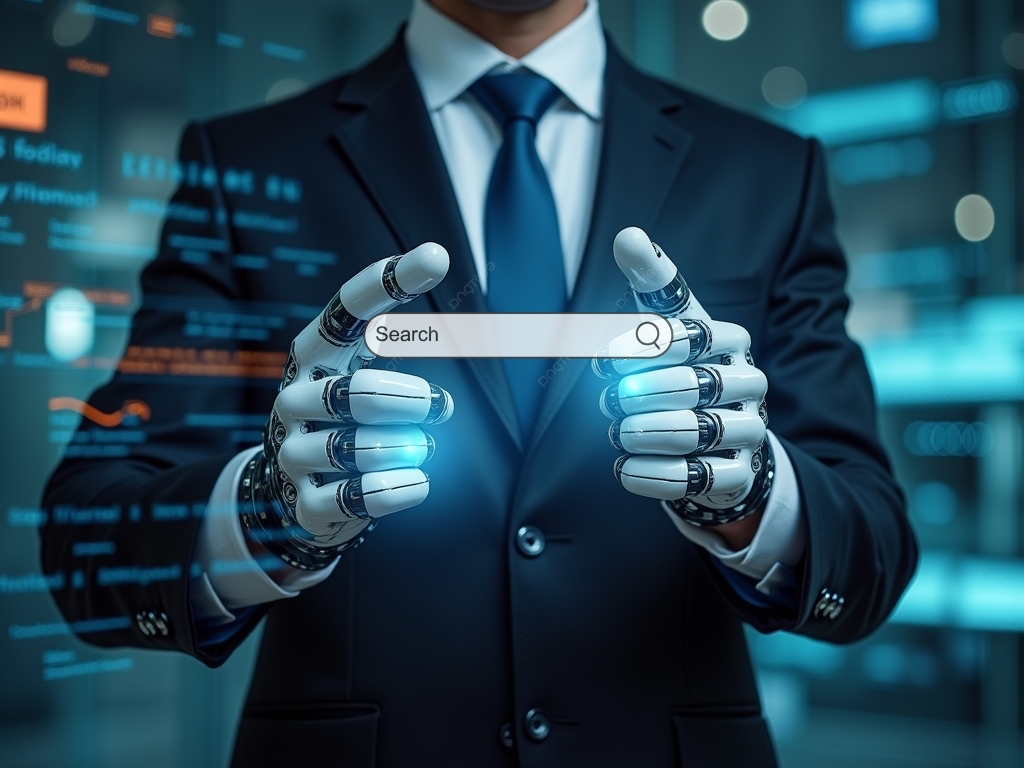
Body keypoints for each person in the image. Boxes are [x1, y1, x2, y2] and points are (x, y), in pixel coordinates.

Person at [40, 0, 918, 765]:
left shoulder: (767, 172)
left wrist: (756, 495)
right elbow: (91, 537)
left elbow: (872, 548)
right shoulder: (246, 163)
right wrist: (265, 514)